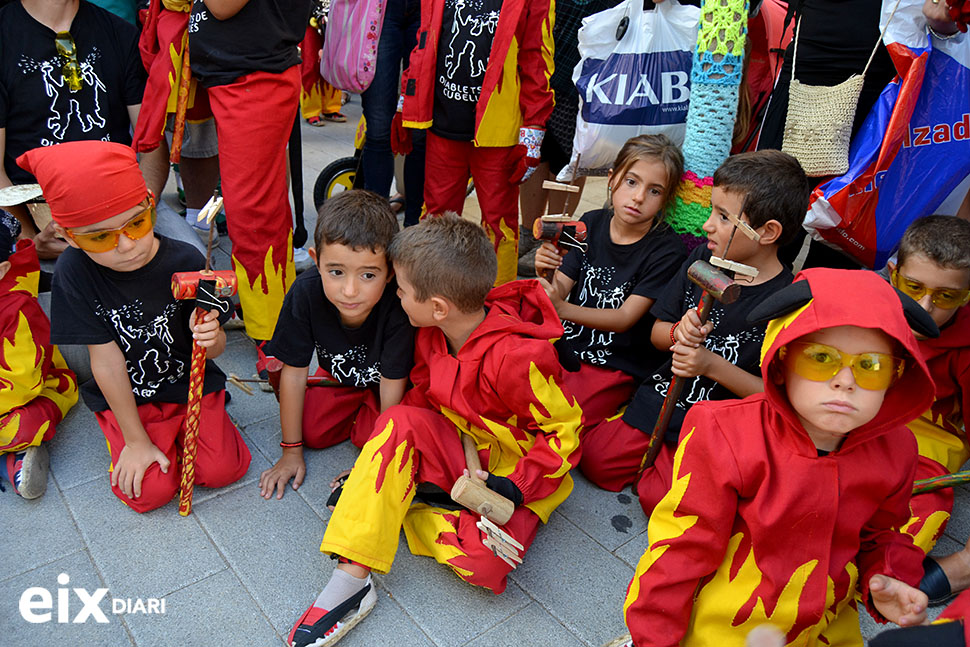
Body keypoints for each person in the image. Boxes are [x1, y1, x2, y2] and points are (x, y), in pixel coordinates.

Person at [287, 214, 582, 647]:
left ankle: (392, 502)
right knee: (395, 421)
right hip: (456, 453)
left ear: (438, 306)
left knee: (484, 567)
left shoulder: (521, 357)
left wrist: (515, 486)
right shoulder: (432, 332)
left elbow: (566, 431)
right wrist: (388, 455)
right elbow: (421, 400)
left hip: (511, 477)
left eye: (401, 291)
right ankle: (352, 579)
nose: (396, 296)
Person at [622, 268, 938, 646]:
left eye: (871, 365)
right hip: (722, 627)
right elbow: (680, 550)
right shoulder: (726, 433)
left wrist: (888, 577)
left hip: (824, 627)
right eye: (821, 358)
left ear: (898, 375)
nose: (845, 380)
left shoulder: (897, 450)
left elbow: (879, 535)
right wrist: (653, 639)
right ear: (783, 358)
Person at [21, 140, 251, 512]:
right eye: (100, 237)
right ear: (66, 235)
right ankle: (146, 436)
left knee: (223, 470)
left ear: (148, 203)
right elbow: (107, 363)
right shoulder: (74, 274)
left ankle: (209, 417)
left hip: (188, 382)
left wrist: (212, 337)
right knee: (150, 492)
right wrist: (135, 440)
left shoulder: (188, 259)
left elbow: (215, 349)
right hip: (129, 396)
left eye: (137, 223)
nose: (126, 245)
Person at [578, 150, 809, 513]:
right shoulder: (704, 257)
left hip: (714, 426)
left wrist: (710, 365)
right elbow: (656, 333)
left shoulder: (788, 301)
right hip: (663, 398)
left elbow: (776, 398)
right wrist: (678, 334)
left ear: (768, 232)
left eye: (723, 216)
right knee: (595, 460)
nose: (706, 225)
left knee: (662, 498)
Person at [258, 190, 414, 501]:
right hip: (342, 383)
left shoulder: (399, 305)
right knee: (310, 430)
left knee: (403, 435)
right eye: (336, 272)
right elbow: (294, 372)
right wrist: (291, 452)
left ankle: (368, 428)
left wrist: (374, 460)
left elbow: (393, 383)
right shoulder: (305, 293)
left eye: (368, 274)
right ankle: (359, 419)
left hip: (392, 391)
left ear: (390, 272)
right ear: (316, 261)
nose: (350, 290)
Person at [533, 134, 687, 430]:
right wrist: (546, 274)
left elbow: (624, 318)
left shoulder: (667, 250)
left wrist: (561, 308)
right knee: (520, 384)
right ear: (612, 178)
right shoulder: (590, 223)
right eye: (631, 182)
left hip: (616, 363)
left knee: (561, 418)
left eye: (654, 191)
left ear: (666, 199)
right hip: (567, 345)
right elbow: (560, 287)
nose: (639, 197)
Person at [399, 0, 555, 284]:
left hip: (497, 134)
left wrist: (534, 127)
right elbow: (424, 40)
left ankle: (500, 304)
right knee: (436, 219)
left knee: (500, 225)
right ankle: (433, 293)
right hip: (443, 125)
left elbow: (537, 59)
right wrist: (406, 101)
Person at [187, 0, 309, 349]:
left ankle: (274, 340)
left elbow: (223, 5)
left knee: (253, 210)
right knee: (256, 204)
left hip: (252, 70)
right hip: (230, 65)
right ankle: (268, 315)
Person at [0, 0, 157, 259]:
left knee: (193, 262)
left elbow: (150, 144)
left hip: (124, 207)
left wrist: (141, 215)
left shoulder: (120, 32)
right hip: (33, 216)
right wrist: (31, 241)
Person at [882, 216, 970, 602]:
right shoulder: (867, 299)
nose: (925, 306)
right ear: (892, 273)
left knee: (922, 515)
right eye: (913, 287)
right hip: (852, 424)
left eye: (946, 296)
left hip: (925, 452)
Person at [0, 210, 78, 498]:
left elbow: (23, 383)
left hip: (30, 390)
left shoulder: (15, 312)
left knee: (26, 423)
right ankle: (14, 458)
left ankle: (14, 455)